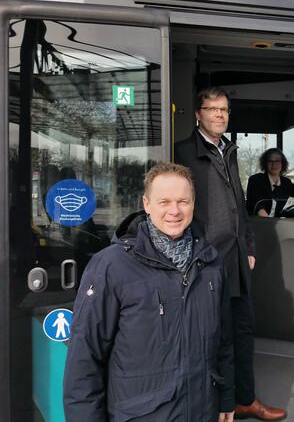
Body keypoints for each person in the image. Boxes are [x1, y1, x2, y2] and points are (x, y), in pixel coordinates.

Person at [63, 163, 234, 422]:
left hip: (202, 411)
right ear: (146, 204)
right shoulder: (111, 266)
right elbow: (85, 358)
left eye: (183, 201)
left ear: (193, 203)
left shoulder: (211, 262)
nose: (174, 211)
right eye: (164, 201)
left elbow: (224, 340)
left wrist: (226, 397)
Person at [175, 87, 286, 421]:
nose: (220, 115)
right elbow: (179, 213)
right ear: (198, 114)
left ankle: (245, 399)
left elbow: (239, 206)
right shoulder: (183, 153)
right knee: (212, 337)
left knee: (242, 333)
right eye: (212, 109)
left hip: (237, 261)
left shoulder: (229, 151)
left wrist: (249, 247)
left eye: (224, 109)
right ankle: (214, 405)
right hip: (206, 262)